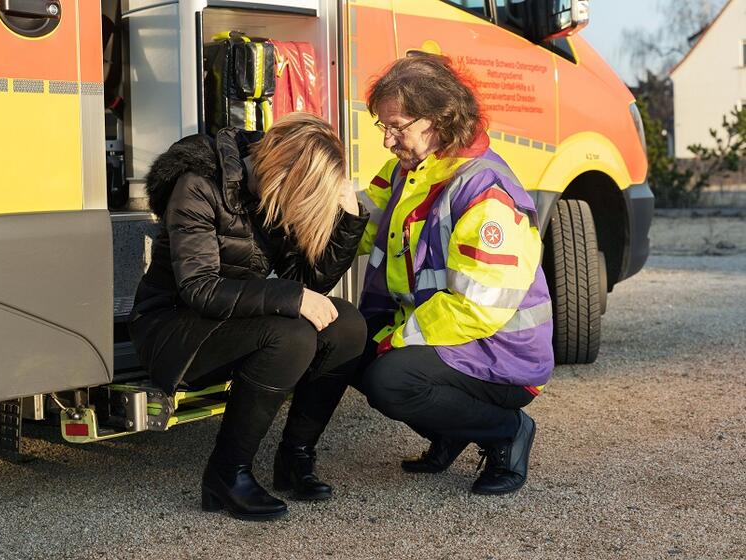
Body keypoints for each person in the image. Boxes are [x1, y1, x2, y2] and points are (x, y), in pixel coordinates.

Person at [129, 113, 369, 520]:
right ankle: (226, 473)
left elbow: (305, 283)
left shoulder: (275, 192)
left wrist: (346, 224)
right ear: (284, 171)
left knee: (346, 326)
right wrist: (291, 297)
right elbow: (199, 288)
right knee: (290, 335)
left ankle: (295, 459)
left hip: (230, 322)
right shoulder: (198, 184)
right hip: (172, 329)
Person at [355, 54, 554, 495]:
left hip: (502, 356)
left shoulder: (485, 192)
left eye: (397, 126)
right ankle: (451, 430)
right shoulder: (408, 171)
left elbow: (479, 306)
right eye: (381, 126)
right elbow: (358, 225)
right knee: (346, 345)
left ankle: (507, 432)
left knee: (390, 380)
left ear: (438, 120)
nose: (388, 140)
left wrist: (397, 338)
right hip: (455, 341)